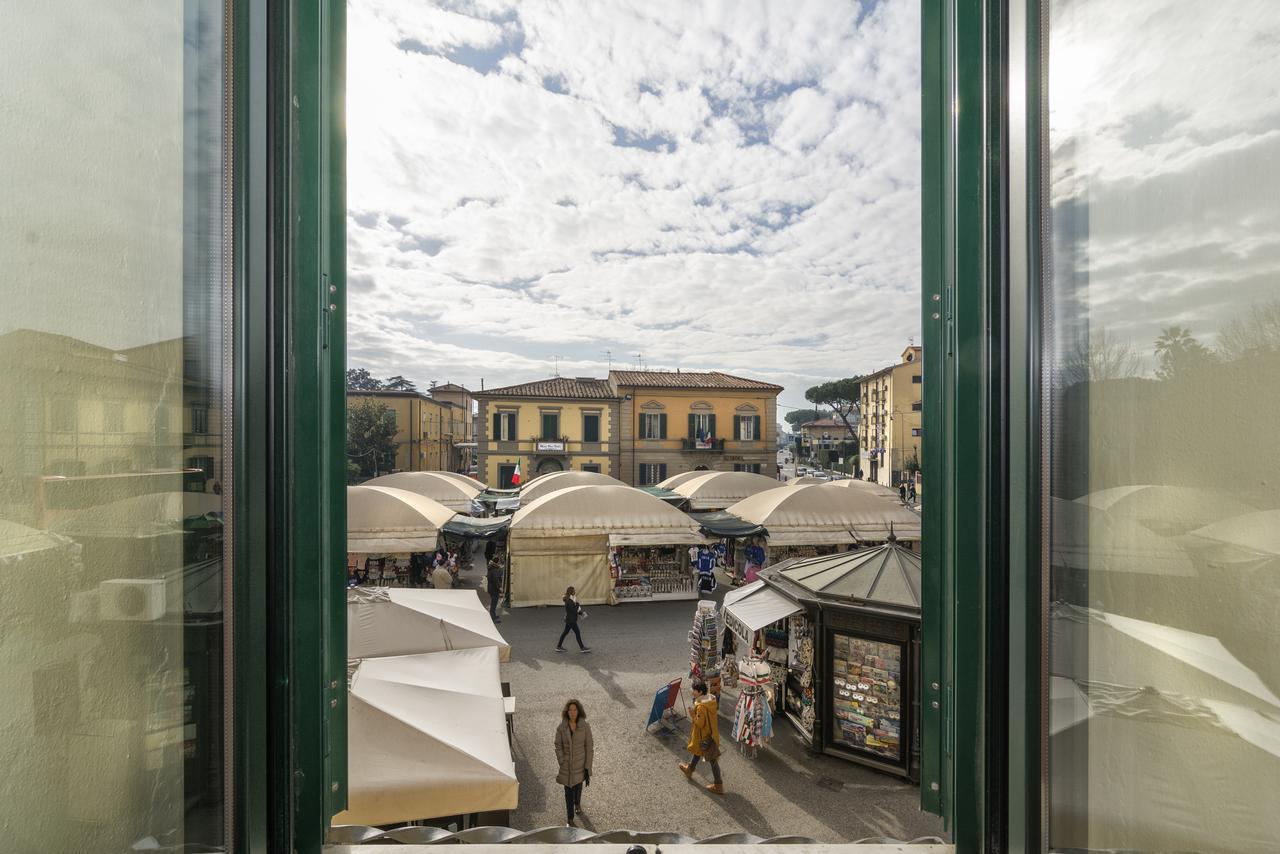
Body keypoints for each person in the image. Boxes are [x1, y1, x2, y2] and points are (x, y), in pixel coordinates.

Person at [678, 679, 723, 794]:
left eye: (694, 690)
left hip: (704, 736)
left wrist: (692, 714)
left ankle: (718, 785)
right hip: (710, 734)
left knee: (712, 760)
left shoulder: (701, 707)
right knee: (698, 752)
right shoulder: (710, 701)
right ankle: (689, 769)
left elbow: (700, 723)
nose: (692, 692)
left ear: (699, 692)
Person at [554, 699, 594, 827]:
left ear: (578, 711)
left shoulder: (585, 727)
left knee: (578, 787)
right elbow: (558, 745)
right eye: (570, 710)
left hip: (580, 765)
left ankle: (577, 803)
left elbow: (589, 746)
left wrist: (588, 766)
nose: (572, 712)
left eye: (575, 709)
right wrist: (561, 760)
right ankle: (570, 818)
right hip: (566, 766)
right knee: (568, 792)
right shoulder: (561, 728)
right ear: (567, 711)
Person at [556, 586, 590, 653]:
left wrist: (581, 613)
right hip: (571, 620)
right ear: (571, 592)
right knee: (577, 633)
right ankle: (582, 648)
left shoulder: (570, 599)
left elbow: (574, 610)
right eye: (574, 590)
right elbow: (574, 610)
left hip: (569, 619)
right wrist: (577, 604)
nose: (575, 591)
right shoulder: (570, 601)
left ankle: (558, 647)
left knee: (565, 633)